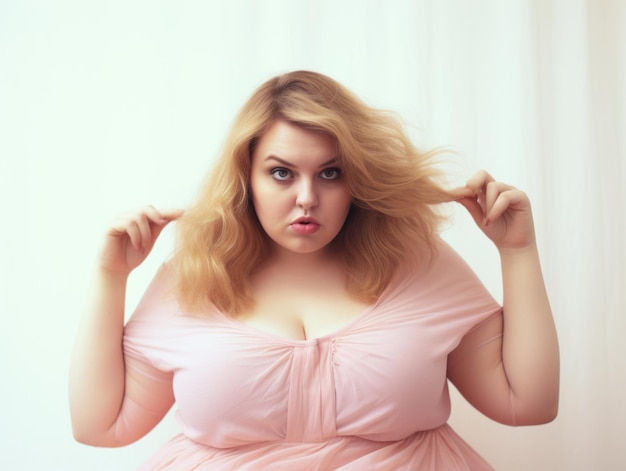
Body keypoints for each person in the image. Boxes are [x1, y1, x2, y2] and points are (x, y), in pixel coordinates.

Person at [69, 70, 559, 470]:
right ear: (247, 178)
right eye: (281, 172)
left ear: (357, 178)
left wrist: (517, 251)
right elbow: (100, 426)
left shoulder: (419, 264)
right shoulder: (192, 277)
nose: (307, 197)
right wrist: (110, 277)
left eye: (330, 173)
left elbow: (527, 404)